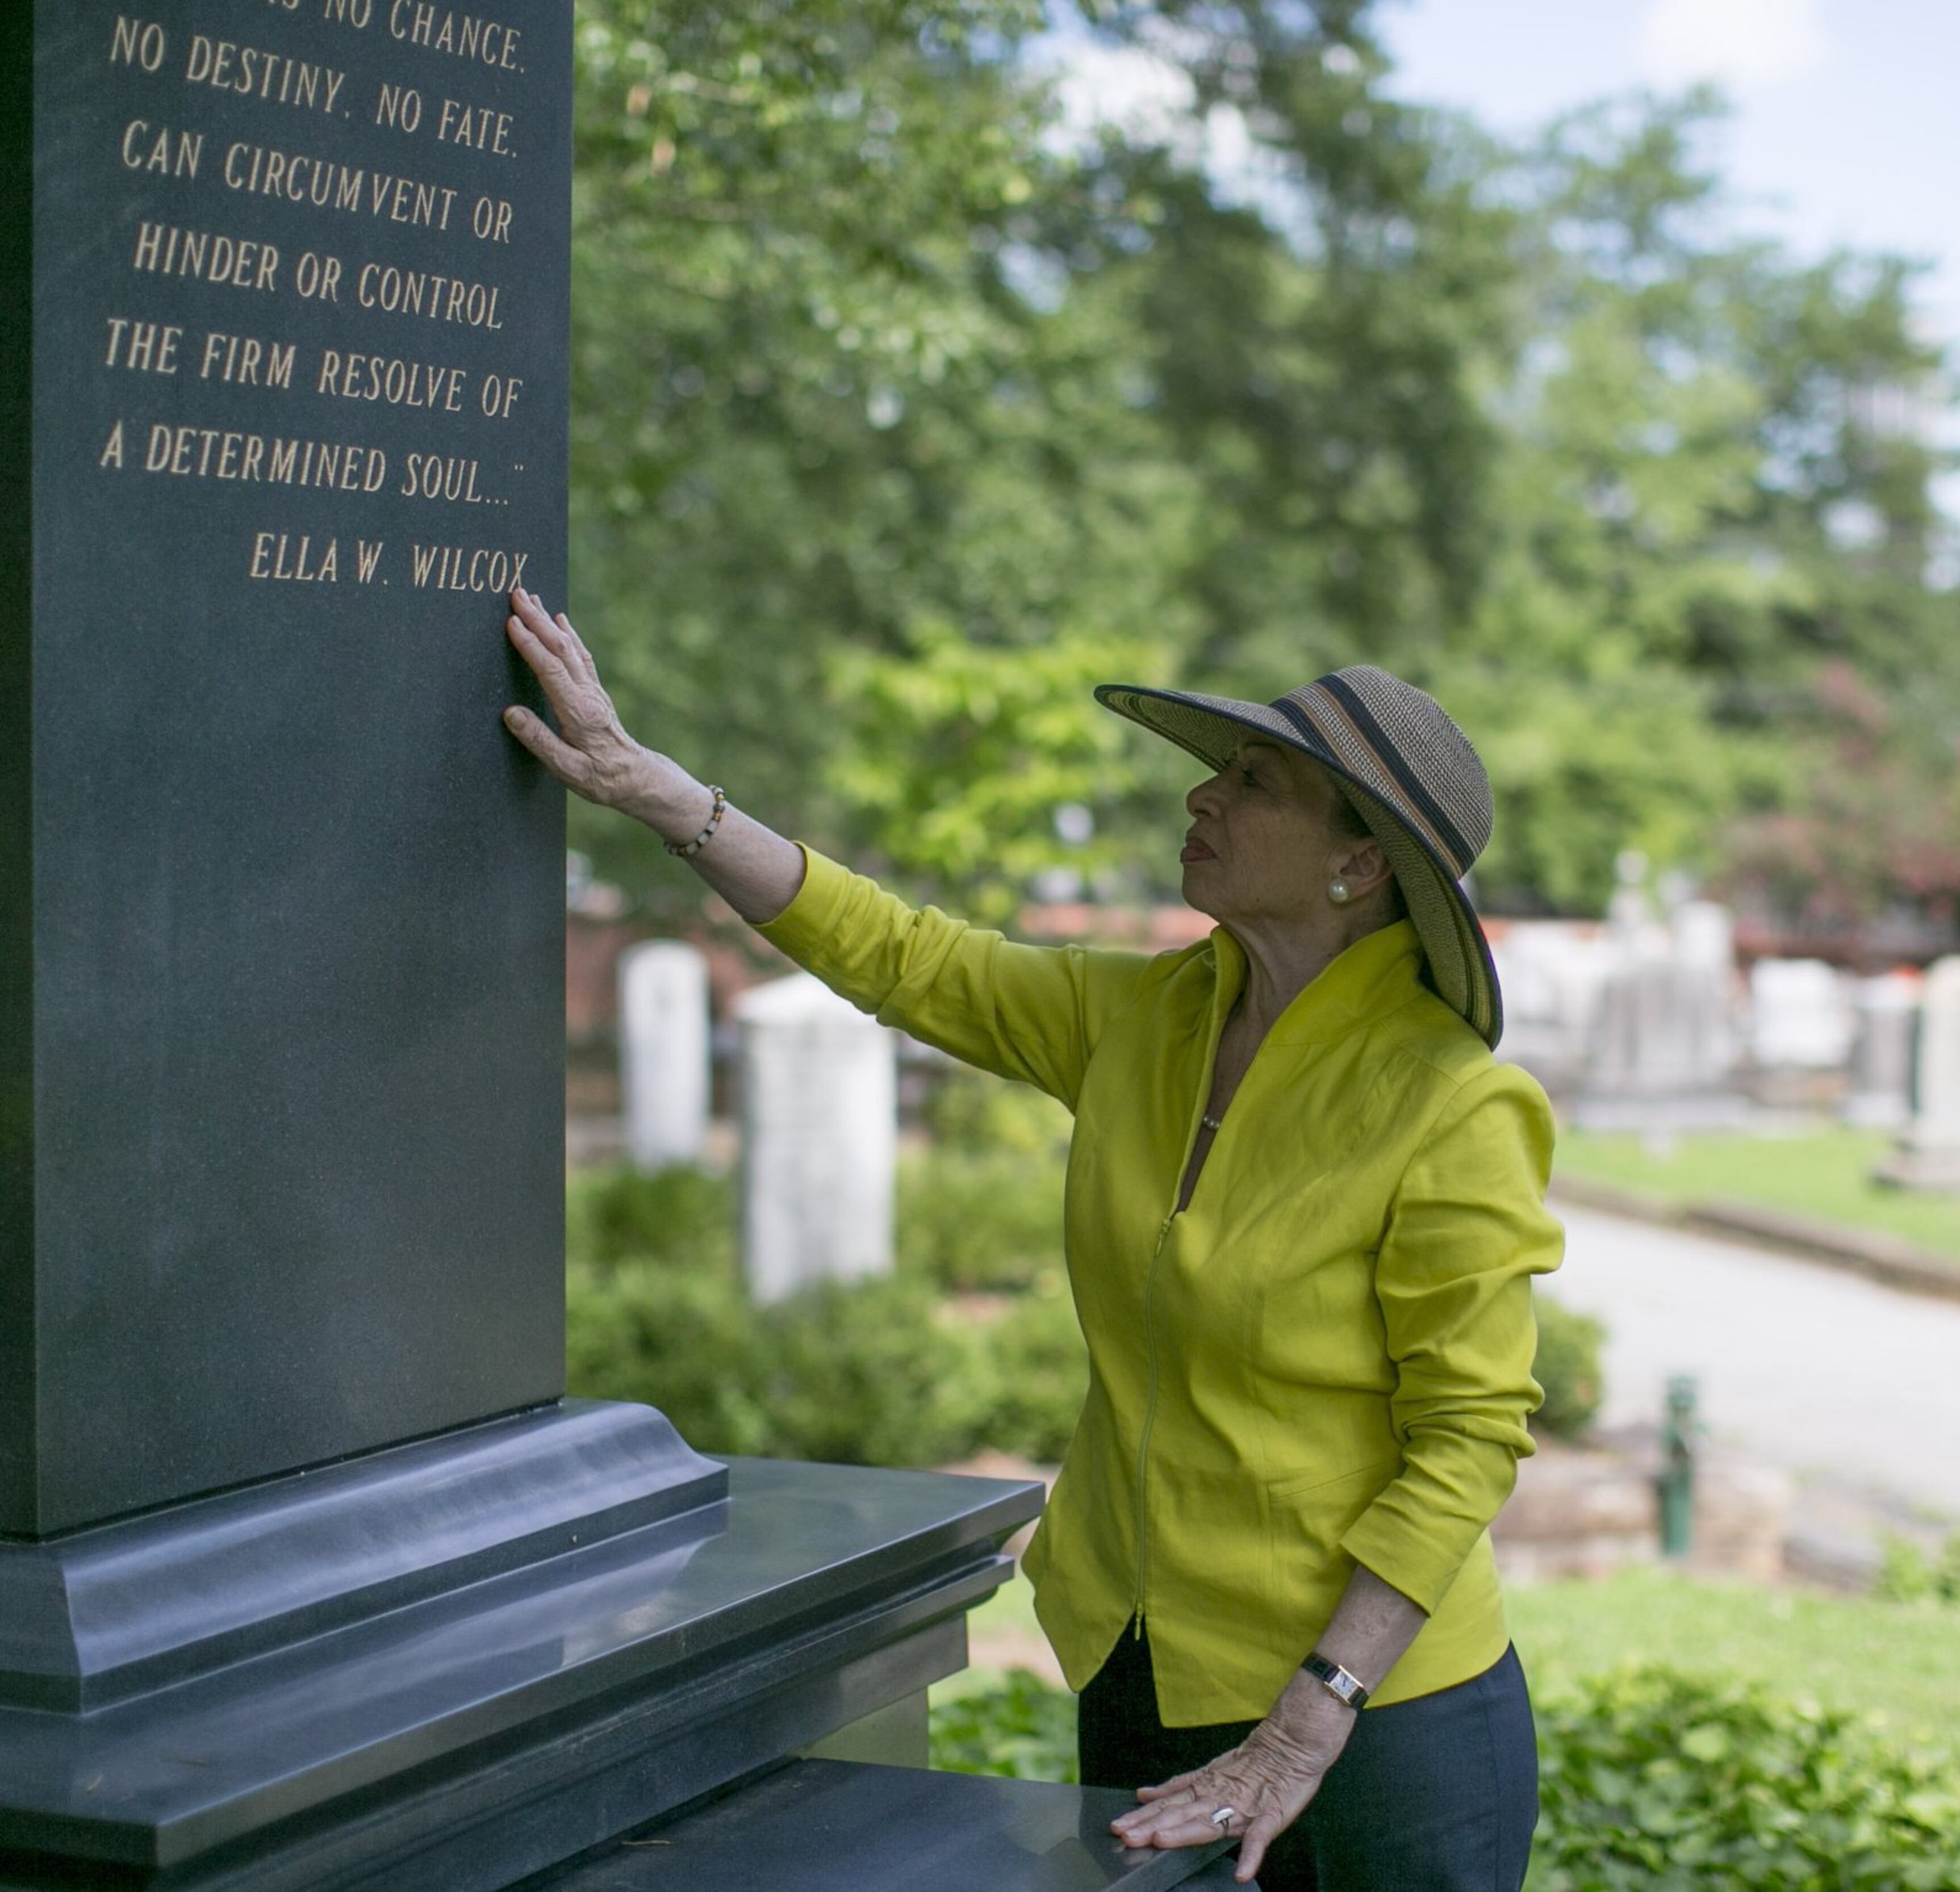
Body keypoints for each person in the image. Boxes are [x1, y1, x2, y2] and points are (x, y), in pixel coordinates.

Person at [500, 587, 1561, 1892]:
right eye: (1220, 768)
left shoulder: (1452, 1103)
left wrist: (1314, 1709)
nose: (1204, 798)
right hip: (1143, 1668)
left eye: (1258, 781)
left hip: (1375, 1719)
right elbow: (908, 958)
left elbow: (1468, 1440)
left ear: (1361, 864)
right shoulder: (1150, 1015)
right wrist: (664, 795)